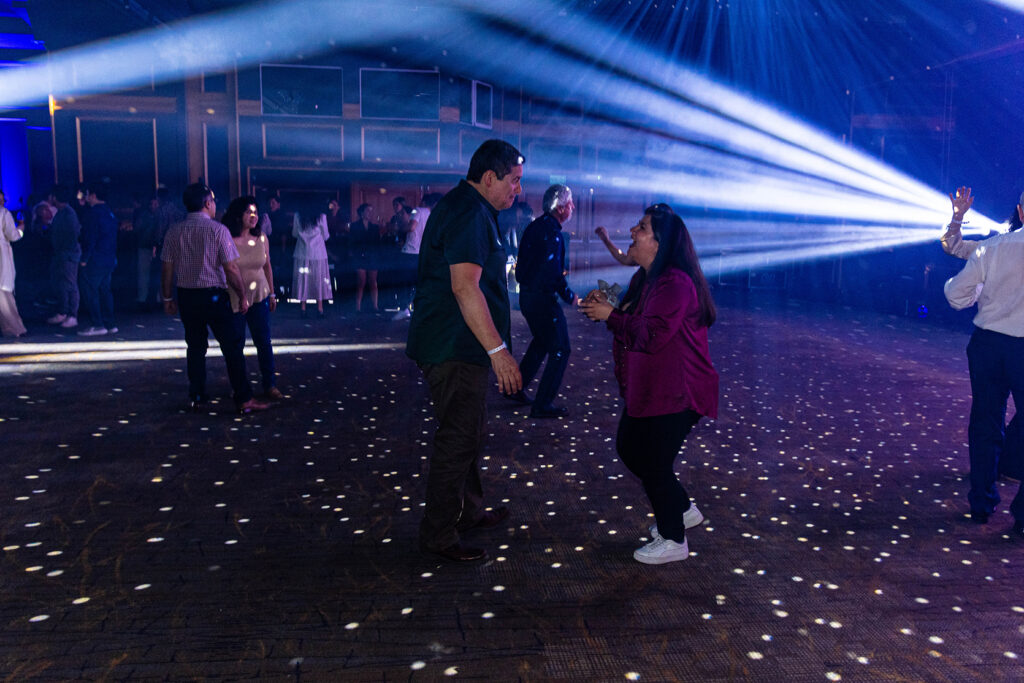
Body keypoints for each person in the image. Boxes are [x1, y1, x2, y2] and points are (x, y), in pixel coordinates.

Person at [406, 139, 525, 563]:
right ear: (489, 177)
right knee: (458, 438)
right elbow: (464, 287)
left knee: (469, 433)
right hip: (453, 345)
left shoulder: (472, 208)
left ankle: (468, 512)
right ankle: (439, 534)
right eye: (514, 181)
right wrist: (499, 351)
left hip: (457, 344)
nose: (518, 190)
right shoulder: (469, 213)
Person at [579, 203, 718, 565]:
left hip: (678, 390)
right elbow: (631, 318)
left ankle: (674, 539)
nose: (632, 232)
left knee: (653, 462)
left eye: (641, 228)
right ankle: (681, 508)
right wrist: (606, 306)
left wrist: (611, 315)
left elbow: (651, 334)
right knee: (629, 447)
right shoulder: (646, 278)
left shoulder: (675, 283)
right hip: (650, 387)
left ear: (659, 243)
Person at [944, 190, 1024, 538]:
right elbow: (954, 246)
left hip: (989, 345)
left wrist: (977, 293)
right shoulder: (991, 246)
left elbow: (954, 295)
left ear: (1020, 210)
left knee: (985, 420)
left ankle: (981, 502)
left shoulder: (993, 247)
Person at [160, 183, 269, 414]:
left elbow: (167, 267)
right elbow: (230, 268)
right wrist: (242, 295)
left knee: (195, 347)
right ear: (207, 203)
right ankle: (244, 398)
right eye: (213, 201)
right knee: (232, 348)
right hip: (214, 295)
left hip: (187, 295)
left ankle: (197, 396)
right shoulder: (218, 230)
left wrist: (167, 297)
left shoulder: (174, 231)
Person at [511, 184, 577, 417]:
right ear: (560, 208)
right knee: (561, 348)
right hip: (542, 299)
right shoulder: (552, 233)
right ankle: (542, 404)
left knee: (541, 342)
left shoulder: (537, 226)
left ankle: (515, 388)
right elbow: (553, 272)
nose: (572, 207)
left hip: (529, 296)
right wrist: (569, 296)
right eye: (569, 203)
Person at [221, 196, 282, 400]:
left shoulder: (262, 238)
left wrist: (272, 293)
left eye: (255, 212)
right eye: (249, 212)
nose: (253, 216)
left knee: (263, 341)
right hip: (235, 297)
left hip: (259, 296)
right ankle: (239, 386)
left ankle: (270, 384)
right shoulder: (228, 238)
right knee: (236, 344)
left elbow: (267, 266)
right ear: (239, 215)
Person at [77, 184, 119, 336]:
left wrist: (84, 258)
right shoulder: (109, 212)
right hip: (109, 258)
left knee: (91, 291)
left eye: (88, 194)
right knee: (105, 291)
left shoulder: (93, 214)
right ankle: (110, 323)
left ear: (94, 195)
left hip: (95, 259)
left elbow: (90, 238)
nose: (86, 197)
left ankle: (97, 324)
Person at [46, 185, 81, 329]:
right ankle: (63, 311)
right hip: (62, 254)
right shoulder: (62, 213)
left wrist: (64, 250)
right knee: (62, 284)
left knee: (70, 284)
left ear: (55, 197)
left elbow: (72, 235)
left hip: (68, 255)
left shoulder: (68, 214)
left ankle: (72, 315)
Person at [292, 211, 332, 318]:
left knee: (303, 280)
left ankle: (303, 308)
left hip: (302, 251)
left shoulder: (298, 215)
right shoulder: (321, 216)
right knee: (319, 280)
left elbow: (294, 233)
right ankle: (320, 308)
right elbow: (326, 236)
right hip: (318, 252)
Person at [0, 189, 26, 337]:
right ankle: (14, 328)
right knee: (4, 296)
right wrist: (21, 229)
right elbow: (13, 235)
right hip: (1, 258)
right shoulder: (3, 213)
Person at [349, 203, 380, 313]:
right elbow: (352, 242)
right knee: (361, 281)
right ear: (362, 213)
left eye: (371, 211)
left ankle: (375, 306)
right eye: (367, 210)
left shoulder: (374, 227)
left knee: (373, 281)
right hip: (360, 256)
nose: (370, 213)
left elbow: (377, 243)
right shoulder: (354, 226)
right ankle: (358, 307)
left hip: (372, 256)